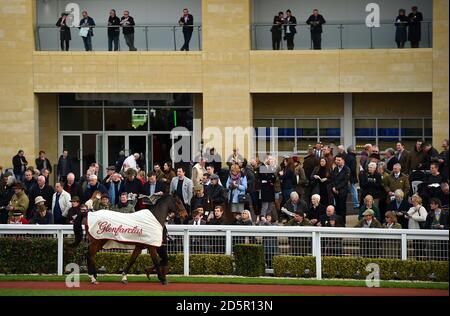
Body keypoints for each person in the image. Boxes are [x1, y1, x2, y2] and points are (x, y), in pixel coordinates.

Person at [331, 154, 350, 225]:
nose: (337, 161)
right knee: (337, 207)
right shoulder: (335, 169)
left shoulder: (347, 169)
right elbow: (332, 178)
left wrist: (337, 188)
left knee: (342, 207)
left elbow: (345, 181)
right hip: (335, 191)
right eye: (336, 160)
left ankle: (342, 222)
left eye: (339, 160)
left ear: (343, 161)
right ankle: (338, 221)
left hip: (343, 191)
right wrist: (333, 187)